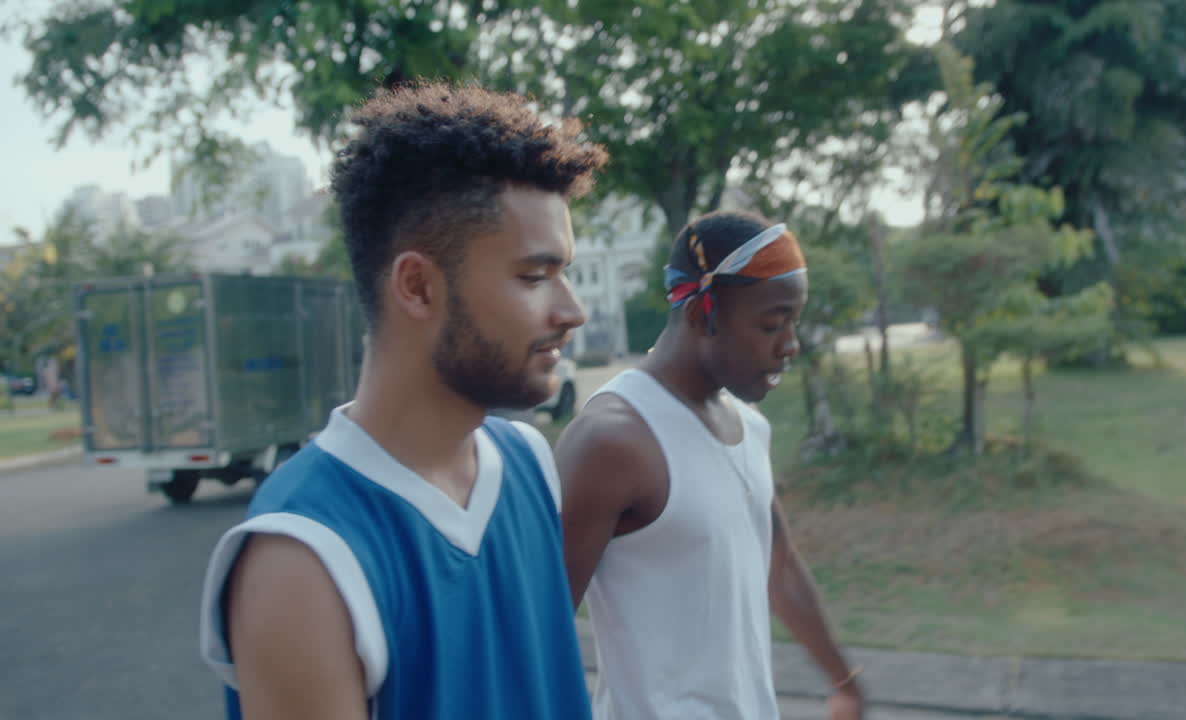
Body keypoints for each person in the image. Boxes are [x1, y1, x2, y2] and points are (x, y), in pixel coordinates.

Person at [198, 82, 608, 720]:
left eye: (565, 273)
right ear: (417, 287)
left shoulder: (527, 461)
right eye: (535, 276)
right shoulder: (303, 555)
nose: (572, 310)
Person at [556, 210, 867, 720]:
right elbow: (540, 632)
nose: (790, 344)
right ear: (703, 314)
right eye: (772, 324)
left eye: (794, 323)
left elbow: (780, 566)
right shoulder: (613, 440)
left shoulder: (749, 427)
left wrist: (844, 681)